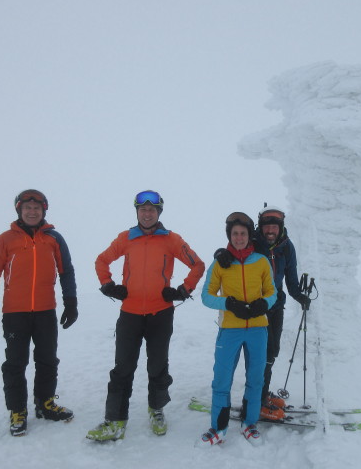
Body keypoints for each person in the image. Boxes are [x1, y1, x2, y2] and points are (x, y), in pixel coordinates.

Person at [86, 190, 205, 442]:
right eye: (143, 210)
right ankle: (115, 420)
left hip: (161, 314)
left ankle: (157, 409)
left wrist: (184, 289)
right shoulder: (126, 238)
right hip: (129, 314)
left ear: (159, 212)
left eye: (152, 210)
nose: (147, 213)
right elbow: (101, 260)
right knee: (122, 368)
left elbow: (198, 264)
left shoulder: (171, 240)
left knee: (158, 366)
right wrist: (108, 284)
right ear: (137, 212)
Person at [0, 189, 78, 437]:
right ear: (19, 211)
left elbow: (66, 271)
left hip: (46, 311)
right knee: (15, 363)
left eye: (37, 208)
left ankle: (45, 405)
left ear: (44, 211)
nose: (32, 212)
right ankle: (17, 411)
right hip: (15, 313)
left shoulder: (53, 238)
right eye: (27, 208)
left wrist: (71, 302)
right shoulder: (5, 239)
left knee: (47, 360)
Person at [214, 205, 309, 421]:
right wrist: (220, 254)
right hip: (254, 310)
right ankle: (255, 402)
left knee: (272, 352)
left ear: (281, 227)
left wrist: (300, 296)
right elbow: (234, 250)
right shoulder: (253, 242)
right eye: (266, 227)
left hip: (275, 306)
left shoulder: (287, 247)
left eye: (274, 227)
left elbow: (291, 280)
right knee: (260, 356)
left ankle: (262, 394)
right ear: (260, 227)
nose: (270, 231)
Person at [199, 212, 277, 446]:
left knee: (255, 378)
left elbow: (272, 292)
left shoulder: (261, 261)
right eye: (235, 233)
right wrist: (229, 303)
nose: (239, 237)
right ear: (229, 235)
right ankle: (219, 428)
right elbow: (206, 296)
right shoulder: (221, 263)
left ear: (249, 235)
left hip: (257, 329)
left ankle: (249, 423)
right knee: (222, 379)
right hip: (230, 330)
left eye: (243, 233)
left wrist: (264, 304)